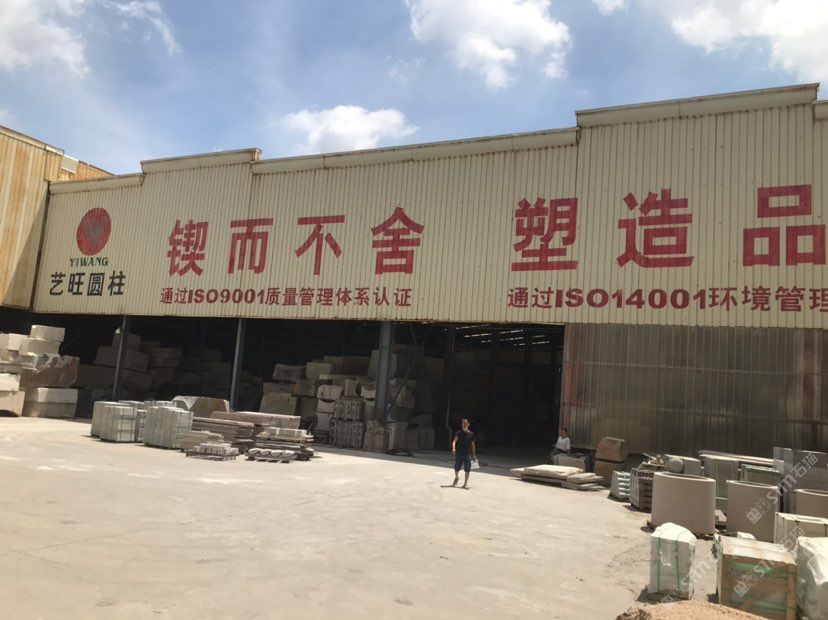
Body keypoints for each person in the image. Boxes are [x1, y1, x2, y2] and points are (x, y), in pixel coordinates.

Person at [451, 418, 477, 489]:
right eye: (463, 423)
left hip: (467, 455)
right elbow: (454, 441)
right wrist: (453, 448)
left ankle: (465, 484)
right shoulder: (459, 433)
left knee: (468, 470)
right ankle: (457, 477)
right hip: (459, 454)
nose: (464, 425)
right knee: (456, 468)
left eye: (465, 423)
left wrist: (474, 455)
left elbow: (473, 445)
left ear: (468, 424)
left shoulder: (471, 434)